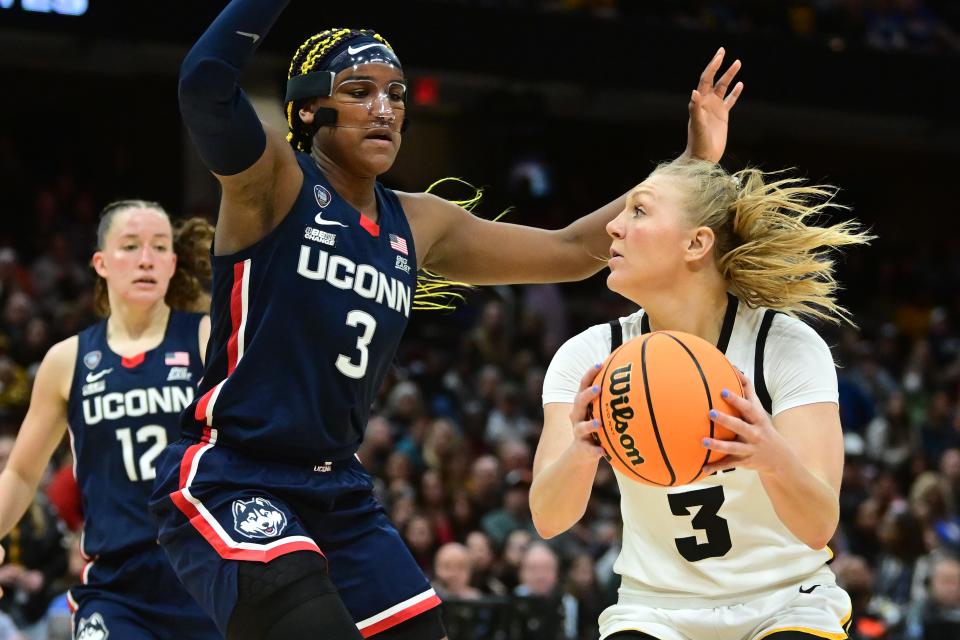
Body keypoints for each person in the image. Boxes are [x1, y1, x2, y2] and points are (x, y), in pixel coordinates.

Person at [148, 1, 743, 639]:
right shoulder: (274, 182)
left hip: (336, 491)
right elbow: (205, 83)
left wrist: (689, 165)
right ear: (306, 111)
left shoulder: (419, 221)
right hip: (234, 472)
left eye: (397, 95)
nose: (384, 109)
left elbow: (572, 252)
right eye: (358, 92)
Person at [531, 159, 872, 639]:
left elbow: (819, 526)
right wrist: (581, 452)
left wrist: (771, 456)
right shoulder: (589, 355)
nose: (613, 224)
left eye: (639, 211)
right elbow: (548, 519)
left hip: (785, 601)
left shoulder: (784, 344)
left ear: (696, 243)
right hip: (655, 608)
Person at [0, 200, 219, 639]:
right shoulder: (67, 360)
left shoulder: (206, 337)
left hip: (205, 573)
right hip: (117, 586)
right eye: (130, 246)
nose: (145, 259)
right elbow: (23, 473)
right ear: (100, 262)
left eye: (159, 247)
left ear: (173, 263)